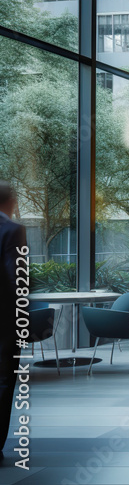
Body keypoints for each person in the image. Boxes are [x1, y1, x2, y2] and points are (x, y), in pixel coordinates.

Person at [0, 181, 27, 461]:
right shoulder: (13, 230)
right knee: (4, 380)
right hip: (4, 321)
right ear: (11, 202)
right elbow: (17, 278)